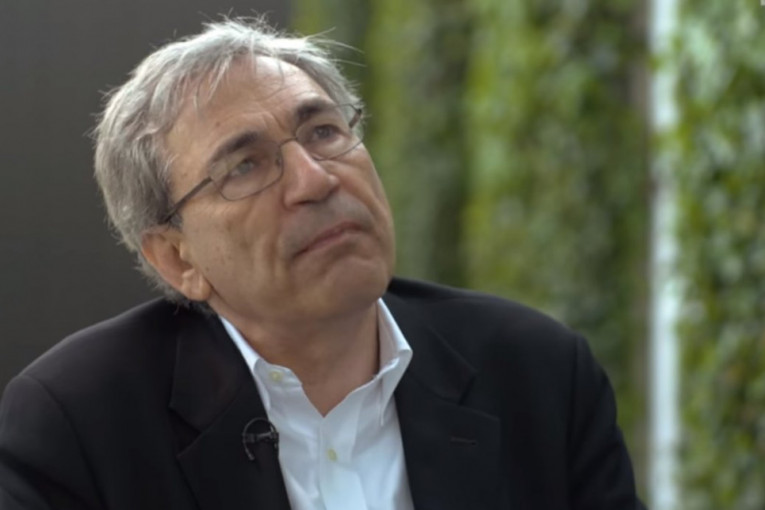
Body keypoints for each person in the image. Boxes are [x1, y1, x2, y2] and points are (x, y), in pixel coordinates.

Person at [0, 17, 645, 510]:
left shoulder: (538, 374)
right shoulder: (76, 427)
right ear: (177, 257)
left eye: (324, 132)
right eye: (244, 166)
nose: (315, 180)